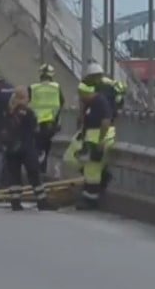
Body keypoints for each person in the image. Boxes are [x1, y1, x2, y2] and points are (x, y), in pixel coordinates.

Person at [0, 87, 51, 211]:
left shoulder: (8, 111)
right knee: (34, 174)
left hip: (11, 149)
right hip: (26, 147)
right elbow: (35, 129)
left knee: (14, 176)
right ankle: (42, 201)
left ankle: (15, 202)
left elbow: (2, 129)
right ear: (25, 98)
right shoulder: (28, 112)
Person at [67, 75, 114, 210]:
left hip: (98, 139)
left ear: (87, 93)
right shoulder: (89, 103)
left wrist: (101, 141)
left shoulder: (100, 102)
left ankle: (91, 199)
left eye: (81, 95)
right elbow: (84, 119)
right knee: (82, 165)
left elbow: (106, 122)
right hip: (89, 138)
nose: (80, 97)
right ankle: (102, 179)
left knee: (92, 170)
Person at [30, 64, 64, 175]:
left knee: (37, 148)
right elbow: (61, 103)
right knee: (46, 148)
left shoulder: (33, 87)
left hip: (36, 123)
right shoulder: (56, 87)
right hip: (51, 123)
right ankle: (42, 171)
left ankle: (37, 171)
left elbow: (27, 102)